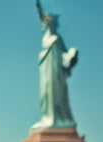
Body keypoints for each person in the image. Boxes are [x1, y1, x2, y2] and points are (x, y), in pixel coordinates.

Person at [31, 2, 78, 131]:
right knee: (46, 96)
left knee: (57, 95)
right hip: (46, 72)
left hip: (56, 73)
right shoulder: (45, 39)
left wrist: (72, 54)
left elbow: (65, 56)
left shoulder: (57, 39)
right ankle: (47, 118)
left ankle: (59, 119)